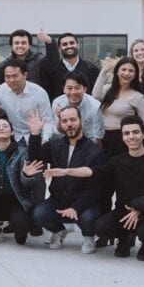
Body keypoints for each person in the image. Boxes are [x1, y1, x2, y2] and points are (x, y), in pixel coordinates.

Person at [84, 116, 144, 261]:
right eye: (126, 133)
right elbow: (95, 171)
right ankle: (125, 237)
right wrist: (65, 171)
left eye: (135, 132)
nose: (131, 136)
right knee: (100, 227)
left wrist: (140, 209)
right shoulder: (117, 161)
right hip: (124, 211)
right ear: (122, 136)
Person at [27, 107, 105, 253]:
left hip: (84, 202)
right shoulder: (56, 144)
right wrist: (35, 134)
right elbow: (36, 158)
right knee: (39, 214)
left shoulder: (94, 150)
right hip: (58, 199)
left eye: (73, 120)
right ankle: (59, 231)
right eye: (64, 121)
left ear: (81, 121)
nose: (69, 124)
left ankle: (88, 236)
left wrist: (76, 208)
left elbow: (93, 189)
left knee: (88, 218)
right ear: (60, 124)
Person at [0, 116, 46, 245]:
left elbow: (28, 180)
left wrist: (26, 175)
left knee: (20, 234)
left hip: (18, 200)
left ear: (12, 132)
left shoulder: (22, 152)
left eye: (5, 126)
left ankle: (24, 227)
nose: (1, 128)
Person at [92, 57, 144, 155]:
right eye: (123, 69)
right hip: (102, 138)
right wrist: (104, 71)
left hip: (122, 140)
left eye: (131, 71)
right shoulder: (107, 89)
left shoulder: (138, 97)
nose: (126, 73)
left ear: (135, 74)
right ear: (117, 71)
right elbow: (96, 95)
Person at [0, 59, 54, 144]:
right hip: (14, 137)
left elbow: (48, 121)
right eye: (7, 77)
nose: (11, 80)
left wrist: (44, 140)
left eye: (15, 76)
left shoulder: (39, 93)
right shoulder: (1, 90)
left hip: (37, 136)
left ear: (25, 75)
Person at [37, 32, 101, 101]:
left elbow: (96, 94)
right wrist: (50, 42)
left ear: (78, 46)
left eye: (72, 43)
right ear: (59, 49)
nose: (69, 46)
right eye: (65, 44)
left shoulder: (91, 69)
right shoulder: (52, 70)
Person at [51, 71, 104, 144]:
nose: (73, 92)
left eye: (77, 88)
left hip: (88, 143)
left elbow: (97, 137)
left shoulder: (95, 106)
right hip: (65, 142)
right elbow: (58, 133)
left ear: (85, 89)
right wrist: (60, 119)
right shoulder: (58, 103)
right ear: (63, 89)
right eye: (69, 88)